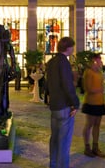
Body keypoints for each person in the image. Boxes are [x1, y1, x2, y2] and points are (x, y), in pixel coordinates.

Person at [45, 36, 80, 168]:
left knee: (54, 139)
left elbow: (47, 84)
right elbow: (67, 85)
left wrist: (47, 98)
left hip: (54, 106)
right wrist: (75, 103)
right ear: (68, 48)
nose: (73, 50)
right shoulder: (64, 62)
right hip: (64, 107)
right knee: (64, 141)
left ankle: (53, 164)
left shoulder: (51, 62)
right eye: (72, 47)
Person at [81, 53, 105, 158]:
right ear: (94, 61)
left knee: (97, 125)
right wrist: (99, 90)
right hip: (91, 102)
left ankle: (95, 147)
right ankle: (87, 147)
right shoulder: (89, 72)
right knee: (89, 124)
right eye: (99, 60)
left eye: (100, 60)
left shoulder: (100, 73)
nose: (100, 62)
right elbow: (87, 88)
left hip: (100, 102)